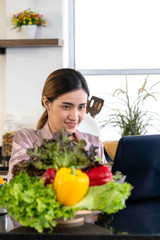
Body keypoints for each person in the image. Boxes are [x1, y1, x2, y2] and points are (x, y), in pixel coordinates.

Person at [7, 68, 106, 182]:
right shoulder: (27, 139)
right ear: (47, 103)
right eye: (67, 106)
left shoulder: (95, 143)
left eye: (81, 107)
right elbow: (18, 185)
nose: (74, 116)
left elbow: (106, 190)